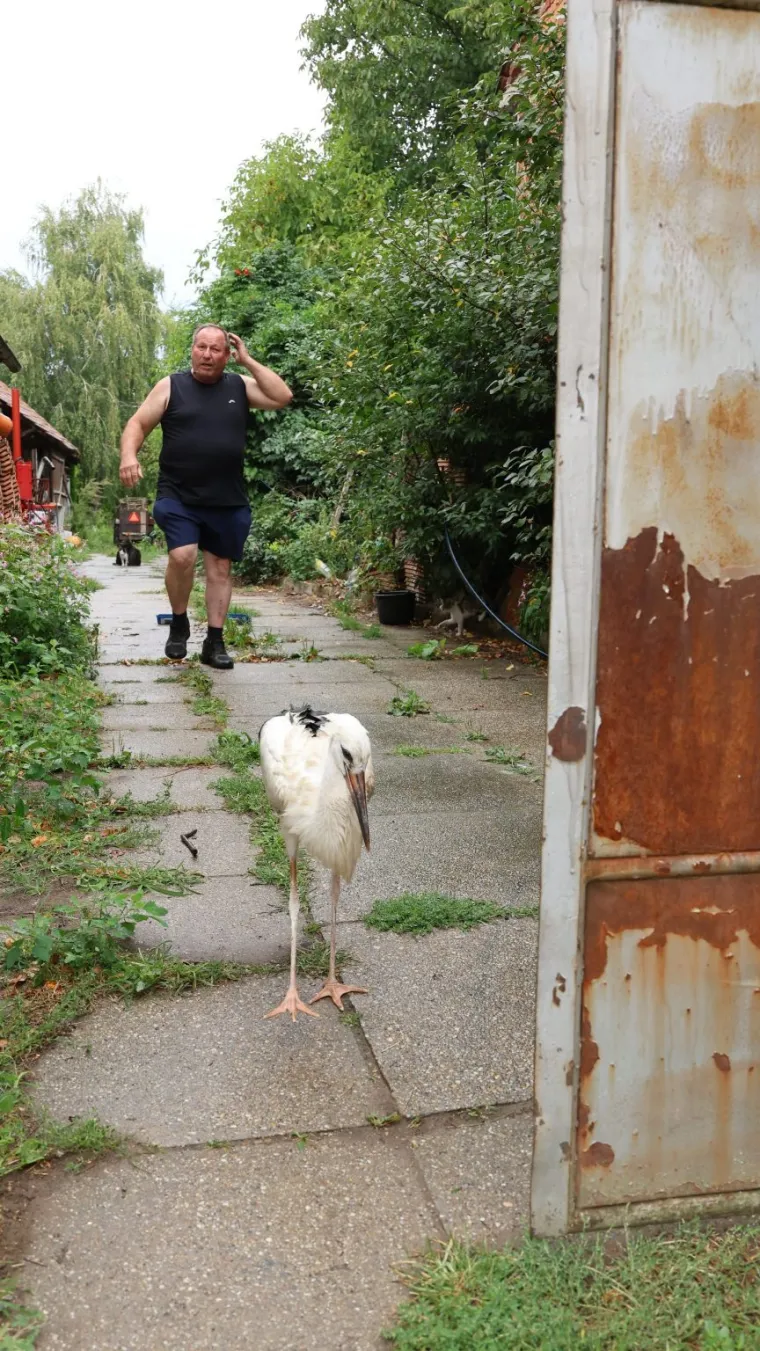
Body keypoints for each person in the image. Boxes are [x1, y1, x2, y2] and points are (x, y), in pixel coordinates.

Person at [119, 325, 292, 668]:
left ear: (227, 356)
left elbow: (282, 396)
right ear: (192, 350)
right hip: (178, 493)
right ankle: (179, 622)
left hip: (227, 496)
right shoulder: (172, 386)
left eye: (216, 349)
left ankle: (214, 642)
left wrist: (249, 361)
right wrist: (129, 456)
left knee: (220, 567)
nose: (207, 354)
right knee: (183, 556)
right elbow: (137, 424)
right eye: (201, 347)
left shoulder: (239, 386)